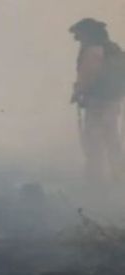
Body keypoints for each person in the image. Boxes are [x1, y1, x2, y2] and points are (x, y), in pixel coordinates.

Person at [70, 18, 125, 187]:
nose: (76, 38)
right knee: (112, 139)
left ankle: (95, 181)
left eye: (78, 34)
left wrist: (78, 92)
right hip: (113, 100)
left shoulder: (92, 51)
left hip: (97, 102)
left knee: (94, 142)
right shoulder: (111, 48)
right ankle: (119, 177)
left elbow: (88, 76)